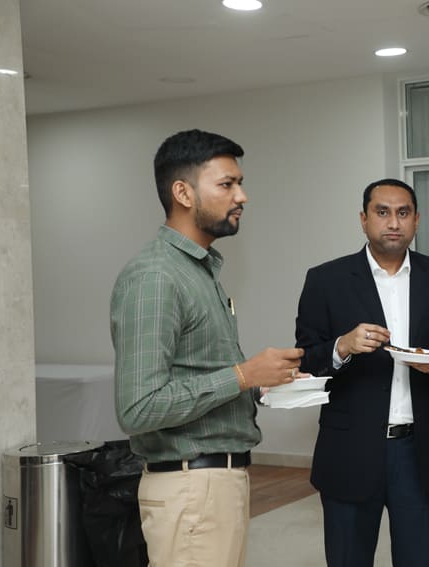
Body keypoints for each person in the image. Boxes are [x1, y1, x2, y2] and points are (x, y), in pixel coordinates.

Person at [110, 129, 305, 567]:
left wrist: (261, 384)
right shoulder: (156, 277)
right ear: (183, 193)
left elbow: (194, 375)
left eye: (240, 183)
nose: (242, 196)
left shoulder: (199, 271)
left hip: (211, 486)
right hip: (190, 490)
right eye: (227, 184)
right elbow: (138, 408)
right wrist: (242, 374)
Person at [295, 178, 429, 567]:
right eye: (382, 212)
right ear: (363, 219)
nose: (393, 222)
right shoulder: (326, 280)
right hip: (349, 451)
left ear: (416, 220)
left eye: (403, 213)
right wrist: (341, 347)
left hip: (420, 452)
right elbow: (306, 359)